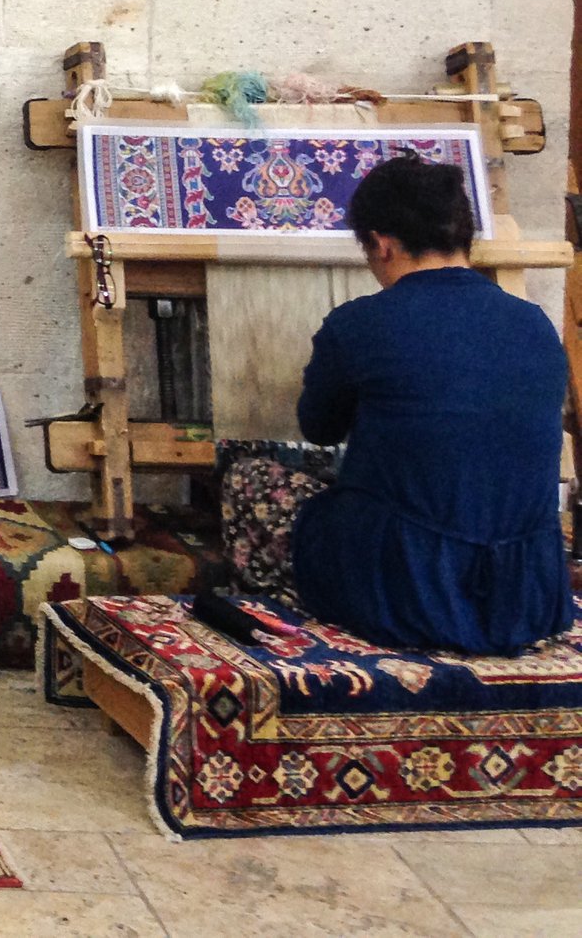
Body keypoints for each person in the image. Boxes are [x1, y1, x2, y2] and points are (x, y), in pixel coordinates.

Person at [220, 156, 574, 654]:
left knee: (251, 477)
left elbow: (318, 427)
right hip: (523, 597)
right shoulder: (535, 324)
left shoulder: (359, 324)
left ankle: (285, 635)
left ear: (381, 243)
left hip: (408, 592)